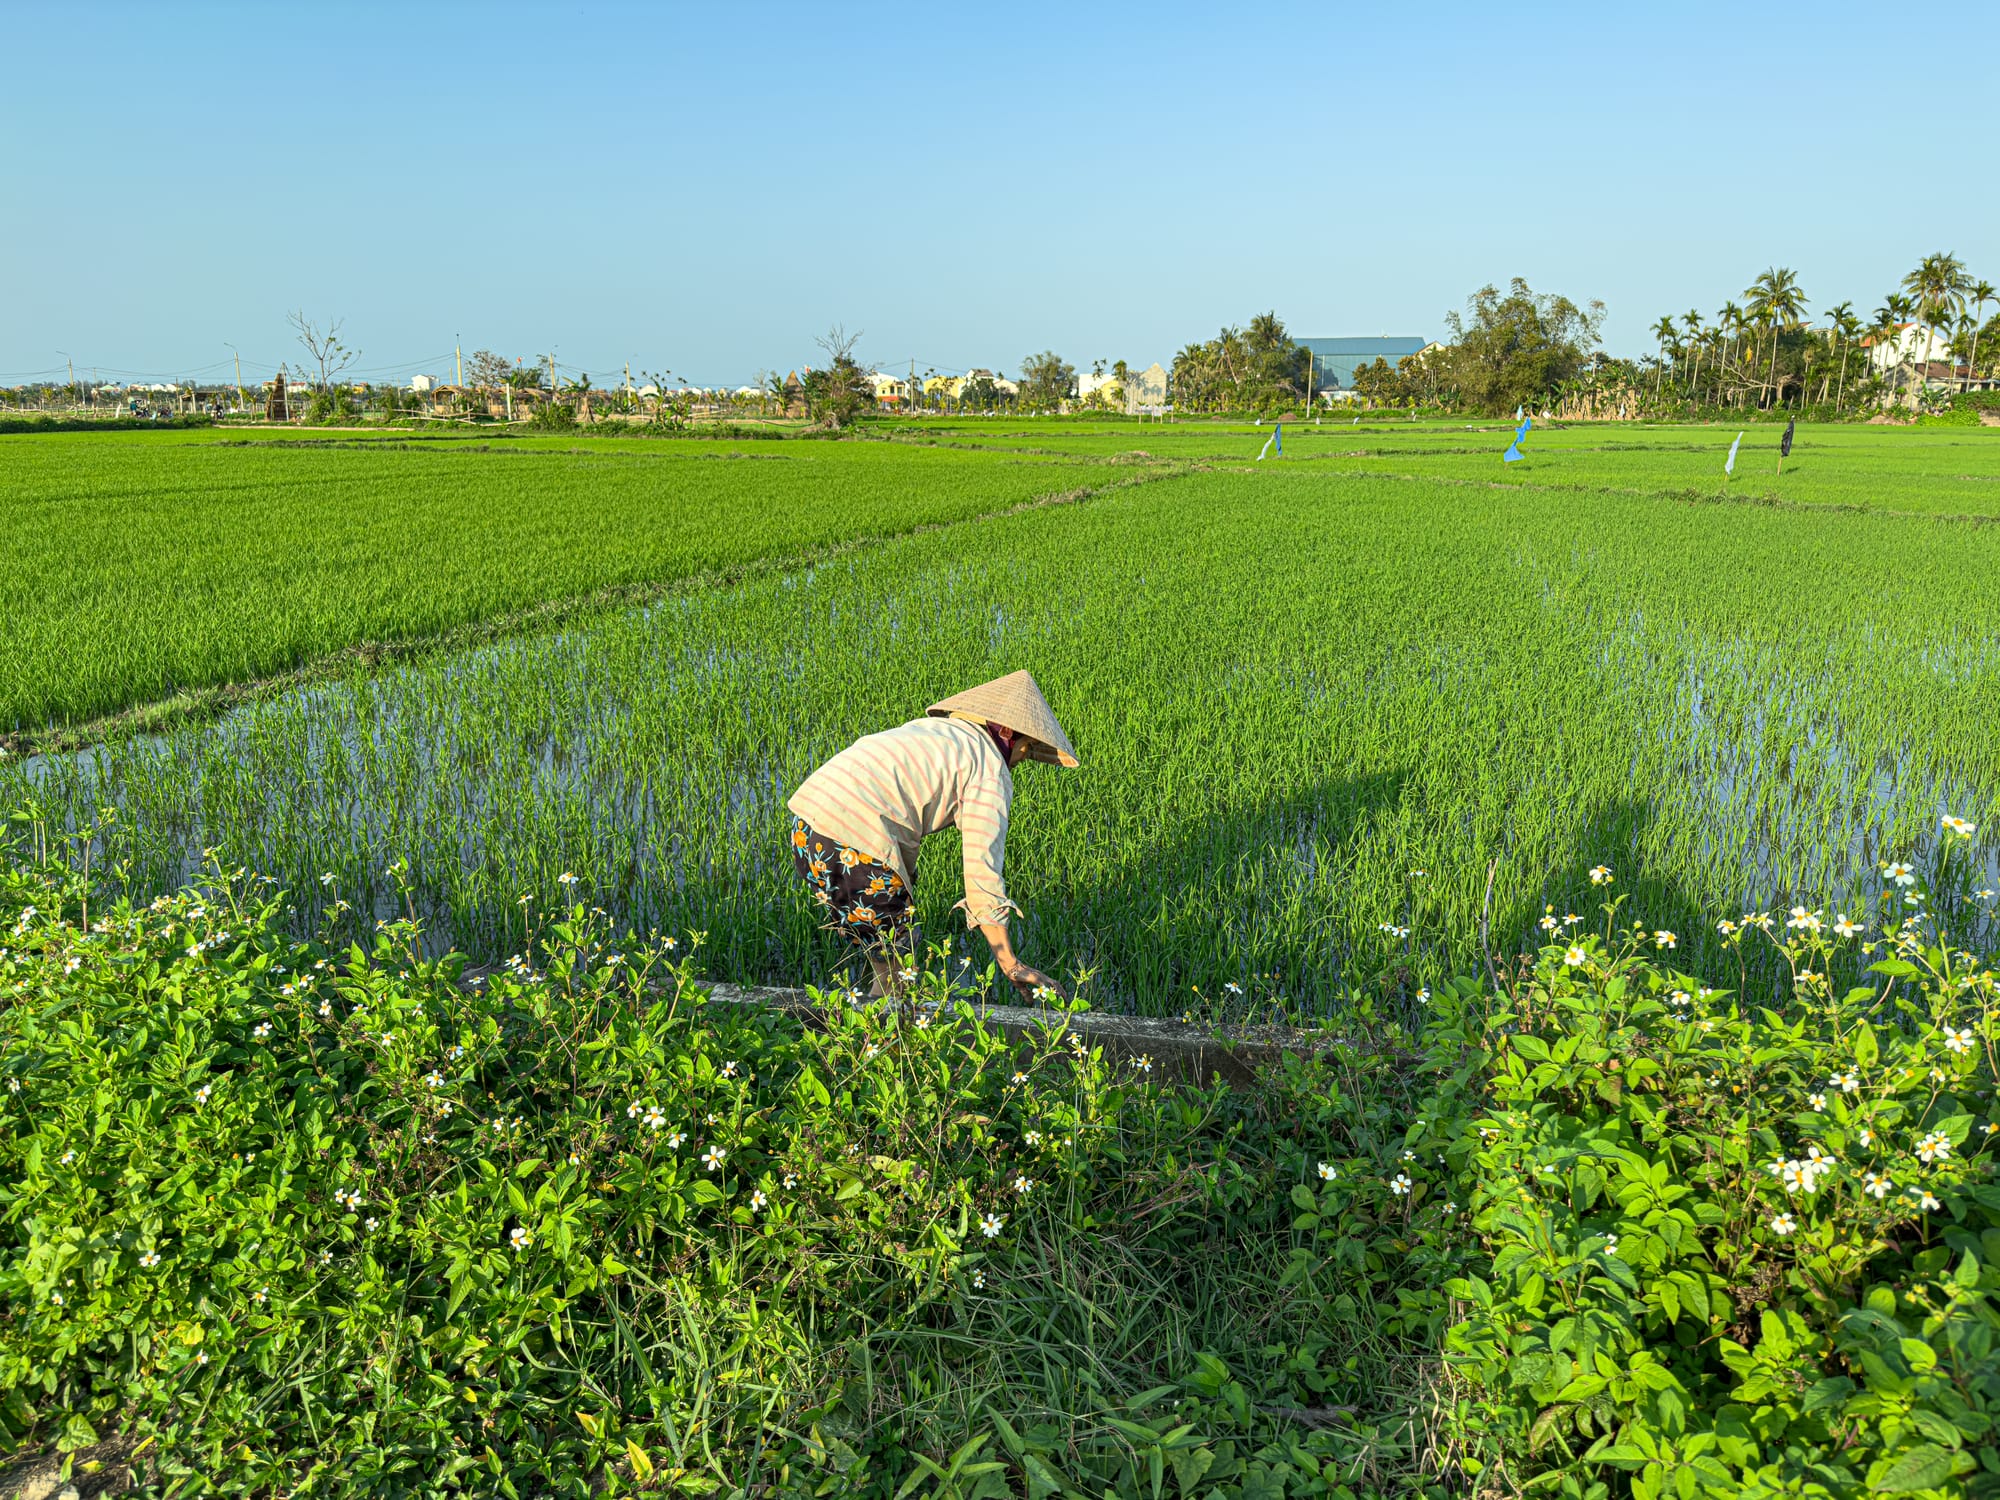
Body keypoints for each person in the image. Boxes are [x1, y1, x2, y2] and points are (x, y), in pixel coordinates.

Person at [787, 670, 1077, 1001]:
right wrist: (1010, 963)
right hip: (856, 843)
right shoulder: (989, 766)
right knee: (899, 974)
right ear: (1008, 733)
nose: (1020, 761)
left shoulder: (941, 731)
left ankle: (861, 1038)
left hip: (808, 828)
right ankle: (877, 1046)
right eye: (1025, 750)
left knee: (887, 962)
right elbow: (982, 870)